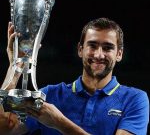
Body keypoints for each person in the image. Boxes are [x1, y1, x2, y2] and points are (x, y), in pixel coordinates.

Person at [0, 18, 149, 135]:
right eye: (92, 45)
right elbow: (4, 128)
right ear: (80, 50)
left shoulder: (135, 99)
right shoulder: (49, 94)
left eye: (107, 48)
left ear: (119, 54)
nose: (99, 54)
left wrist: (59, 122)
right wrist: (16, 66)